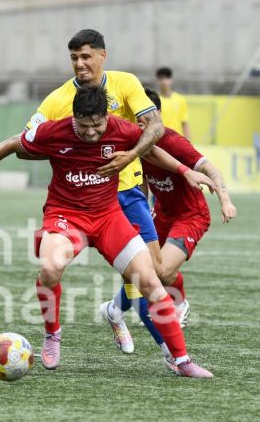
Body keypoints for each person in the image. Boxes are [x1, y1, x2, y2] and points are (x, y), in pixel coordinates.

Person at [0, 87, 213, 378]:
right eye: (85, 125)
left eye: (98, 125)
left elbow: (152, 150)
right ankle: (53, 334)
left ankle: (182, 362)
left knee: (152, 283)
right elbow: (14, 144)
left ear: (106, 117)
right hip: (66, 216)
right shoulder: (53, 132)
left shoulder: (120, 129)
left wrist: (184, 171)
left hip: (108, 218)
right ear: (74, 118)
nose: (92, 132)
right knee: (51, 269)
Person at [22, 29, 170, 361]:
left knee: (153, 272)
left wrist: (137, 157)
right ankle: (170, 354)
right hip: (78, 199)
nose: (80, 64)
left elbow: (154, 128)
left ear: (103, 55)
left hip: (128, 192)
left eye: (86, 56)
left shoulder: (126, 83)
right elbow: (26, 138)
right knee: (54, 266)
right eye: (74, 58)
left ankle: (116, 312)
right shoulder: (59, 99)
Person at [101, 88, 236, 354]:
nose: (139, 123)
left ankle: (116, 309)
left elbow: (211, 169)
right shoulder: (135, 142)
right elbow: (144, 182)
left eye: (144, 117)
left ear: (157, 116)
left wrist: (225, 199)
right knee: (139, 266)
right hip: (160, 214)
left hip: (191, 216)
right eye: (134, 117)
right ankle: (138, 307)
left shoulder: (173, 143)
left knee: (158, 272)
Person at [155, 67, 191, 139]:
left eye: (167, 78)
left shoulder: (180, 100)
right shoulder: (153, 100)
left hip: (177, 140)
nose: (164, 81)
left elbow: (184, 123)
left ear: (171, 80)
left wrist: (188, 142)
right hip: (160, 141)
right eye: (161, 78)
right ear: (157, 80)